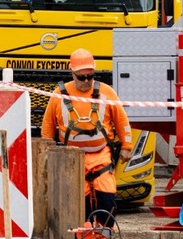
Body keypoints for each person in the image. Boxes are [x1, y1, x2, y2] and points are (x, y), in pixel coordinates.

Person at [41, 48, 132, 226]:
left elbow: (122, 120)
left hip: (101, 155)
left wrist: (126, 146)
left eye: (90, 76)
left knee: (106, 196)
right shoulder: (58, 94)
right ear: (72, 73)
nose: (86, 81)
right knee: (79, 201)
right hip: (72, 157)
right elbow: (48, 125)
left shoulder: (106, 92)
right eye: (81, 77)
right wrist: (46, 151)